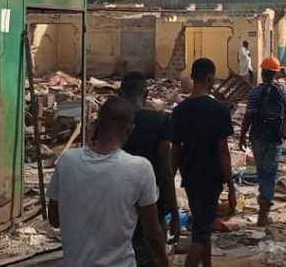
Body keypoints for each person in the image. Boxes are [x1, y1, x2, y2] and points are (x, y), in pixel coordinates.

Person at [47, 97, 169, 267]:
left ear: (97, 124)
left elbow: (54, 219)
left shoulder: (67, 161)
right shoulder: (139, 168)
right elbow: (152, 233)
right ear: (129, 129)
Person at [171, 58, 236, 267]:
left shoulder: (179, 111)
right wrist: (232, 187)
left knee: (203, 226)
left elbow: (176, 150)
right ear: (210, 78)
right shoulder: (219, 110)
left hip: (189, 176)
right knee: (201, 233)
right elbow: (223, 153)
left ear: (192, 78)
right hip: (210, 178)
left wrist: (169, 179)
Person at [121, 73, 180, 267]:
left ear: (121, 93)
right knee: (152, 255)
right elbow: (165, 171)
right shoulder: (160, 121)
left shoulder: (112, 124)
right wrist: (174, 213)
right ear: (145, 93)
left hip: (118, 207)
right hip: (152, 207)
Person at [238, 56, 286, 227]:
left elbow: (248, 116)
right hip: (275, 140)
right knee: (270, 173)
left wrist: (242, 136)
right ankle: (264, 211)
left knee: (261, 172)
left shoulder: (255, 92)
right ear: (276, 73)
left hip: (258, 138)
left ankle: (263, 206)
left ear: (262, 72)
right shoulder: (284, 92)